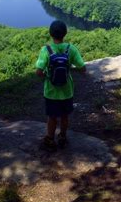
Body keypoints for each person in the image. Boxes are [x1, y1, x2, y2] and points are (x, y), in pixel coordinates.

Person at [35, 20, 86, 151]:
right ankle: (63, 136)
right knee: (64, 116)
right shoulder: (71, 49)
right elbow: (82, 67)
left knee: (52, 117)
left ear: (51, 34)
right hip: (67, 90)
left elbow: (39, 72)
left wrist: (47, 76)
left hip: (51, 92)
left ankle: (50, 139)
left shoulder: (46, 50)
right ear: (65, 34)